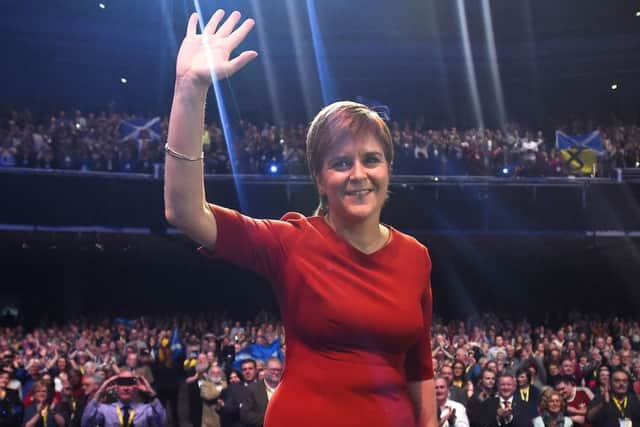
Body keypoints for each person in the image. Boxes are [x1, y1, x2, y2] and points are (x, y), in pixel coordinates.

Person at [163, 9, 436, 427]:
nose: (359, 174)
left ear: (389, 168)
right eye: (341, 162)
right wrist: (190, 89)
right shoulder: (290, 242)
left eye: (371, 160)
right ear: (320, 179)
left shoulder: (416, 256)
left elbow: (420, 369)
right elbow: (184, 211)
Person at [80, 370, 167, 427]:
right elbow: (85, 424)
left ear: (136, 387)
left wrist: (151, 393)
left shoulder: (146, 410)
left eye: (129, 383)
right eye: (122, 383)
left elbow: (162, 423)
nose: (126, 388)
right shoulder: (105, 410)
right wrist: (100, 390)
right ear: (116, 387)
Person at [240, 358, 283, 427]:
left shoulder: (286, 389)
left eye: (279, 370)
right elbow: (245, 415)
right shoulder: (252, 389)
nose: (276, 372)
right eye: (273, 370)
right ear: (265, 370)